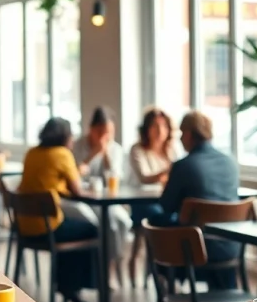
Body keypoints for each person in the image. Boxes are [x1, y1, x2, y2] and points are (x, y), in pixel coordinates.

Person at [145, 110, 240, 289]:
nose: (180, 139)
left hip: (195, 252)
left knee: (156, 219)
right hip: (232, 247)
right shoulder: (231, 163)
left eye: (181, 134)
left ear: (188, 135)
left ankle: (168, 283)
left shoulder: (184, 165)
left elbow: (166, 206)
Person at [18, 117, 99, 302]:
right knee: (90, 229)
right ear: (66, 136)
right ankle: (72, 285)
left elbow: (46, 183)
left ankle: (66, 284)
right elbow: (77, 190)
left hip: (24, 225)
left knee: (72, 225)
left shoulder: (32, 152)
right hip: (47, 228)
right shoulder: (62, 154)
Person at [71, 107, 131, 288]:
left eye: (110, 133)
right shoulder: (78, 145)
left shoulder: (115, 149)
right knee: (110, 224)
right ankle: (110, 270)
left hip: (106, 199)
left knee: (124, 221)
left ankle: (115, 260)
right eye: (101, 132)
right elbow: (74, 175)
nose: (106, 137)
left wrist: (106, 156)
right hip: (85, 200)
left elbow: (115, 178)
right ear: (91, 129)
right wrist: (93, 154)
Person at [127, 106, 175, 284]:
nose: (160, 131)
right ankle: (160, 271)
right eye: (155, 126)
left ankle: (167, 271)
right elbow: (145, 177)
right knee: (161, 217)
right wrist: (170, 169)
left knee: (174, 215)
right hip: (142, 201)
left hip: (164, 200)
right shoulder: (137, 150)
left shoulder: (171, 150)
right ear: (146, 129)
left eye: (164, 126)